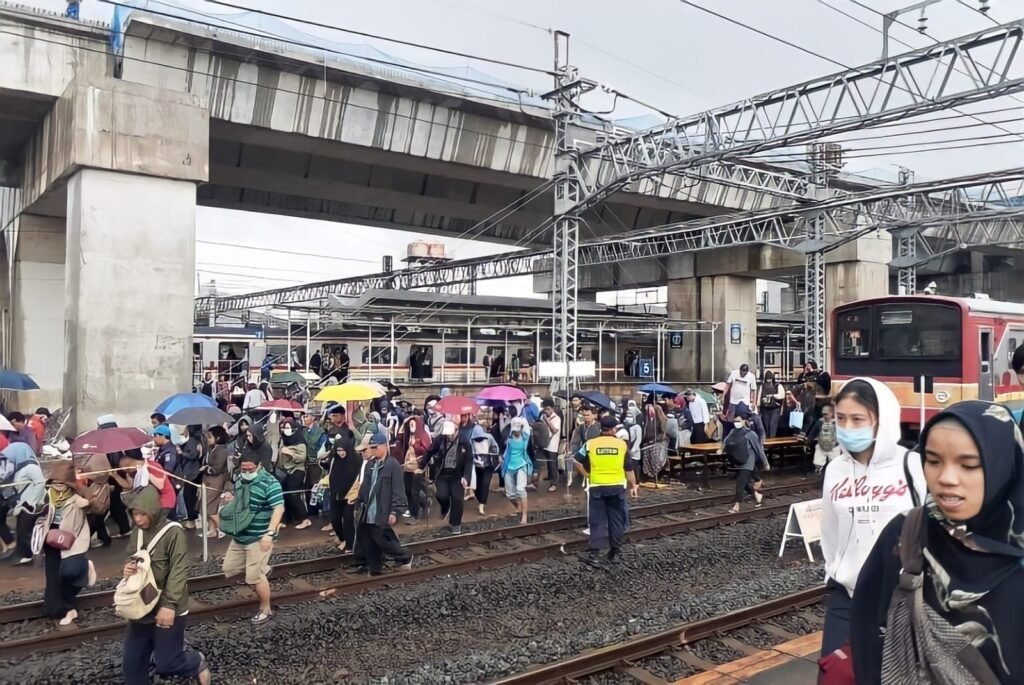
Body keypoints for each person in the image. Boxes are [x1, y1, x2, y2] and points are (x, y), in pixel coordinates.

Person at [850, 401, 1024, 684]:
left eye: (968, 465)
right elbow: (867, 636)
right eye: (933, 461)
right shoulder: (905, 534)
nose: (946, 478)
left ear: (1002, 465)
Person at [819, 378, 924, 660]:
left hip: (901, 597)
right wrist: (837, 570)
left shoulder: (913, 466)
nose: (848, 428)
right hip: (846, 596)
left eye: (858, 419)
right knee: (835, 673)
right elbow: (829, 530)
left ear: (881, 420)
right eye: (841, 418)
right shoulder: (835, 471)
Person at [121, 486, 211, 685]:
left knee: (168, 663)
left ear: (153, 511)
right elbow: (132, 555)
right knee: (132, 665)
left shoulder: (173, 533)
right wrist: (128, 568)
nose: (138, 519)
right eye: (135, 514)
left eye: (143, 514)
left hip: (168, 605)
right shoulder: (137, 532)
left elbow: (179, 570)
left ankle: (196, 663)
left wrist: (169, 605)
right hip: (142, 604)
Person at [221, 451, 284, 624]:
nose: (247, 472)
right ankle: (264, 569)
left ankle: (266, 608)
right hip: (240, 534)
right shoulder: (241, 480)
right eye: (244, 469)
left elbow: (279, 508)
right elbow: (242, 501)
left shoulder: (270, 483)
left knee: (254, 577)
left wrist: (269, 533)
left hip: (259, 536)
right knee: (230, 567)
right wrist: (231, 498)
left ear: (259, 467)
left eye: (251, 469)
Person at [574, 415, 639, 563]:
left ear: (601, 428)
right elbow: (629, 469)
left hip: (597, 486)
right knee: (616, 519)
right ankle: (615, 552)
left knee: (597, 520)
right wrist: (633, 484)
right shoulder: (621, 445)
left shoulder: (590, 444)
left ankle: (595, 554)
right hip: (616, 486)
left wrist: (586, 474)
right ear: (613, 429)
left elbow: (576, 460)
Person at [39, 460, 95, 626]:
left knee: (68, 572)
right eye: (55, 482)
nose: (58, 486)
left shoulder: (77, 498)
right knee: (53, 577)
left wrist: (86, 498)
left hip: (72, 540)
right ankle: (63, 609)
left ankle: (85, 567)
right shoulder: (49, 495)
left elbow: (94, 505)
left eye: (63, 482)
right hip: (51, 540)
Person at [355, 432, 412, 575]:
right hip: (368, 511)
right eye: (372, 447)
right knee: (369, 543)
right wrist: (358, 504)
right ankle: (375, 569)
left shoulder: (393, 465)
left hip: (382, 510)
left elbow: (398, 490)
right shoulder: (370, 464)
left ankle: (405, 556)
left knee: (382, 540)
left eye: (375, 446)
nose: (373, 450)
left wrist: (394, 511)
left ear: (384, 446)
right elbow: (364, 488)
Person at [0, 442, 45, 563]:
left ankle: (26, 556)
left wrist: (32, 502)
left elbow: (40, 482)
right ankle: (22, 554)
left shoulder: (31, 467)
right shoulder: (20, 468)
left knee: (24, 530)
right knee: (21, 530)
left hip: (30, 505)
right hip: (24, 504)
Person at [426, 420, 473, 535]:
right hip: (442, 473)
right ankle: (445, 508)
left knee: (457, 499)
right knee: (441, 495)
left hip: (457, 475)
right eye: (448, 434)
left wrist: (466, 477)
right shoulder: (440, 440)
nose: (450, 436)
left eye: (452, 434)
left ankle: (455, 524)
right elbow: (429, 452)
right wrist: (421, 465)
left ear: (457, 431)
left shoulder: (464, 441)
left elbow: (469, 461)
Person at [723, 415, 768, 513]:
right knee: (746, 485)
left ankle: (736, 506)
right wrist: (721, 449)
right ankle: (757, 495)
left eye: (738, 421)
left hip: (748, 462)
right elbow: (725, 442)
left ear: (744, 421)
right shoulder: (733, 432)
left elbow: (759, 450)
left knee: (740, 485)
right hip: (738, 461)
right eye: (735, 421)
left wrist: (765, 463)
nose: (736, 423)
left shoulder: (750, 434)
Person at [322, 434, 359, 552]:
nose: (340, 453)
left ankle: (349, 544)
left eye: (343, 450)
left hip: (350, 495)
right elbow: (331, 474)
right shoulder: (334, 460)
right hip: (335, 493)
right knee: (335, 519)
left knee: (348, 520)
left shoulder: (357, 460)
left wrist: (355, 494)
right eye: (338, 450)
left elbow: (359, 478)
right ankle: (342, 538)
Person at [395, 415, 431, 524]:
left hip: (417, 468)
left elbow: (427, 451)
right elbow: (399, 437)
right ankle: (422, 505)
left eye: (412, 424)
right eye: (410, 424)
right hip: (407, 467)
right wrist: (404, 422)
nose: (411, 426)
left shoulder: (422, 435)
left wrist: (415, 445)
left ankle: (415, 515)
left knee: (414, 492)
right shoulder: (408, 435)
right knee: (407, 491)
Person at [278, 418, 311, 530]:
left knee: (294, 494)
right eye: (284, 427)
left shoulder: (300, 442)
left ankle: (305, 518)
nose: (285, 430)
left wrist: (290, 453)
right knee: (285, 494)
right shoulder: (283, 440)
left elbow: (302, 458)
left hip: (298, 470)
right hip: (285, 471)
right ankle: (288, 518)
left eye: (287, 427)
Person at [500, 417, 533, 524]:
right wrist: (500, 456)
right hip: (509, 465)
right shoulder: (507, 437)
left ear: (522, 428)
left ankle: (524, 515)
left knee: (520, 489)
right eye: (514, 429)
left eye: (518, 429)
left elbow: (531, 453)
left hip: (522, 464)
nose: (516, 431)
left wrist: (534, 469)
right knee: (510, 494)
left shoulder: (526, 438)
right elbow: (501, 447)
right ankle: (518, 507)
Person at [201, 426, 230, 539]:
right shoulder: (211, 449)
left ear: (217, 438)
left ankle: (222, 528)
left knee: (209, 507)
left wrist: (206, 468)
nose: (208, 439)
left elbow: (217, 468)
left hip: (216, 480)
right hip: (208, 480)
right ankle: (212, 530)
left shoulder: (222, 450)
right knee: (206, 505)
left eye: (210, 437)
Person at [471, 425, 499, 516]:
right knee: (477, 486)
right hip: (476, 466)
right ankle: (480, 500)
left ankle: (482, 504)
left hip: (488, 465)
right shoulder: (471, 440)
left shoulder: (489, 437)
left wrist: (494, 454)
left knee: (485, 484)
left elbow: (495, 447)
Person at [807, 404, 839, 474]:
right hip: (821, 445)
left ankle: (834, 472)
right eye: (823, 414)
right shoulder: (819, 422)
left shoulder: (837, 423)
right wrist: (807, 443)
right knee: (818, 460)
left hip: (834, 447)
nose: (825, 416)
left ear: (831, 413)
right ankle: (818, 469)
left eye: (827, 414)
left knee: (835, 462)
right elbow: (812, 434)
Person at [540, 399, 561, 492]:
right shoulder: (543, 416)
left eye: (548, 409)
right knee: (548, 462)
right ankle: (549, 477)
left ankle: (554, 483)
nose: (546, 411)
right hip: (545, 443)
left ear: (552, 408)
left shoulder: (556, 418)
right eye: (545, 409)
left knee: (553, 464)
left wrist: (547, 421)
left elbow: (555, 430)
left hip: (553, 444)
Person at [759, 372, 784, 438]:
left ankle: (772, 442)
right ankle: (767, 441)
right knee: (766, 426)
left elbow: (782, 395)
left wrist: (773, 396)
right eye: (767, 380)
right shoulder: (763, 386)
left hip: (775, 408)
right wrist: (758, 406)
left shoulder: (778, 385)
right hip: (764, 408)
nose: (769, 381)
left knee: (772, 426)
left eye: (770, 379)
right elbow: (759, 396)